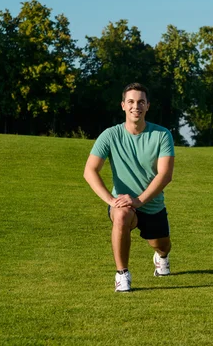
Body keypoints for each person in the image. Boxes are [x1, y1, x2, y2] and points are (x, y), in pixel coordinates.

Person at [83, 83, 175, 292]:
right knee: (121, 215)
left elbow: (165, 174)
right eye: (131, 102)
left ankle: (162, 258)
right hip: (123, 203)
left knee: (162, 245)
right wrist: (111, 201)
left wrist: (140, 200)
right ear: (123, 105)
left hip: (151, 204)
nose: (136, 106)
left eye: (141, 102)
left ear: (148, 106)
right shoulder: (109, 135)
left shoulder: (162, 135)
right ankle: (122, 274)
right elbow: (90, 171)